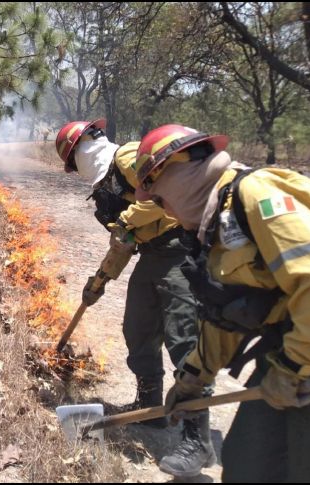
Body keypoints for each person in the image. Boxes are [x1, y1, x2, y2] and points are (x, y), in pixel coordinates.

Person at [135, 123, 310, 482]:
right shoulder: (218, 224)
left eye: (161, 200)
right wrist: (192, 379)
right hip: (298, 343)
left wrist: (293, 369)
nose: (168, 213)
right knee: (245, 461)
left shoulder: (258, 192)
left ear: (177, 175)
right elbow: (227, 314)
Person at [55, 120, 214, 477]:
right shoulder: (104, 190)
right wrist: (100, 281)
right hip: (152, 254)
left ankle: (196, 437)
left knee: (183, 338)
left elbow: (163, 199)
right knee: (137, 327)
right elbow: (125, 242)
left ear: (81, 149)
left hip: (180, 250)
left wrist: (127, 220)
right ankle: (149, 402)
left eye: (73, 159)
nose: (77, 165)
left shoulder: (127, 157)